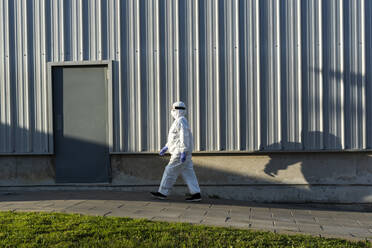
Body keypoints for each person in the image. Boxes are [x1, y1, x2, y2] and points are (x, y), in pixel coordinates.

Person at [151, 101, 202, 202]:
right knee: (188, 173)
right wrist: (166, 147)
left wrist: (183, 150)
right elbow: (174, 138)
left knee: (169, 171)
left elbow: (184, 136)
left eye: (173, 110)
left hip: (179, 153)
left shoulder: (180, 121)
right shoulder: (179, 121)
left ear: (176, 110)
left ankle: (162, 192)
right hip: (183, 152)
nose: (172, 111)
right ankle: (196, 193)